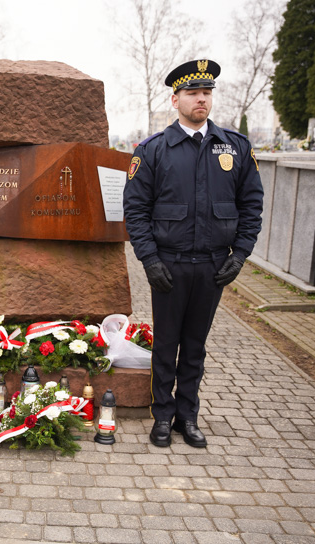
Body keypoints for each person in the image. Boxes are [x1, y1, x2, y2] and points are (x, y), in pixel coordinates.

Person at [123, 60, 263, 449]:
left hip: (214, 266)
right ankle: (163, 416)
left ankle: (188, 416)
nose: (202, 99)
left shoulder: (234, 147)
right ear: (176, 99)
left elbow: (251, 206)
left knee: (196, 345)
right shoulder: (153, 150)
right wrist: (149, 259)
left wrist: (241, 255)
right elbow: (135, 209)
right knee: (166, 343)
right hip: (169, 264)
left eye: (207, 93)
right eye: (193, 93)